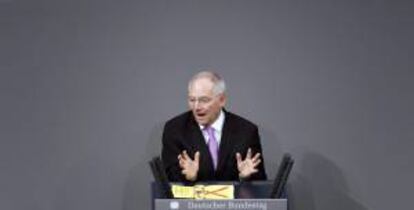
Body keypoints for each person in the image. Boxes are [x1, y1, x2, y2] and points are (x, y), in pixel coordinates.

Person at [161, 71, 267, 183]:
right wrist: (189, 178)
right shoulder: (175, 130)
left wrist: (244, 177)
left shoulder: (246, 131)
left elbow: (261, 184)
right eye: (192, 100)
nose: (196, 107)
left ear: (222, 100)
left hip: (234, 200)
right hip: (192, 200)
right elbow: (168, 183)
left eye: (204, 100)